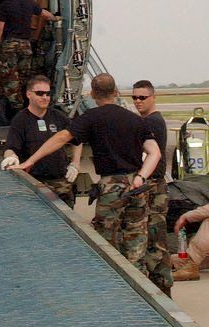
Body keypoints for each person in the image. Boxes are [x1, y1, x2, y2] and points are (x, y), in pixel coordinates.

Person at [18, 73, 161, 271]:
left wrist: (30, 160)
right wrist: (140, 177)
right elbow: (155, 153)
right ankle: (140, 281)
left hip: (111, 186)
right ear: (116, 92)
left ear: (93, 94)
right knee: (136, 241)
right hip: (137, 188)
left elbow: (61, 139)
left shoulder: (91, 118)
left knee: (106, 244)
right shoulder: (135, 120)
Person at [0, 75, 74, 202]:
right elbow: (11, 147)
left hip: (60, 183)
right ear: (29, 94)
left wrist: (76, 163)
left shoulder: (58, 117)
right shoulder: (21, 120)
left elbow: (77, 137)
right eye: (40, 93)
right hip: (33, 183)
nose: (45, 97)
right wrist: (10, 157)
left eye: (48, 94)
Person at [131, 79, 171, 294]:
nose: (138, 101)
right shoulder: (146, 120)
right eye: (134, 98)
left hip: (154, 187)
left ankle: (162, 290)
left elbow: (150, 156)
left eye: (142, 98)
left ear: (153, 98)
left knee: (156, 243)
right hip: (152, 186)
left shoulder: (152, 123)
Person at [0, 0, 40, 121]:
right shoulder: (29, 2)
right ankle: (17, 109)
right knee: (23, 78)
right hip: (26, 45)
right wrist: (56, 18)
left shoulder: (5, 4)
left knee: (10, 78)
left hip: (10, 45)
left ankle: (14, 111)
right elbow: (44, 13)